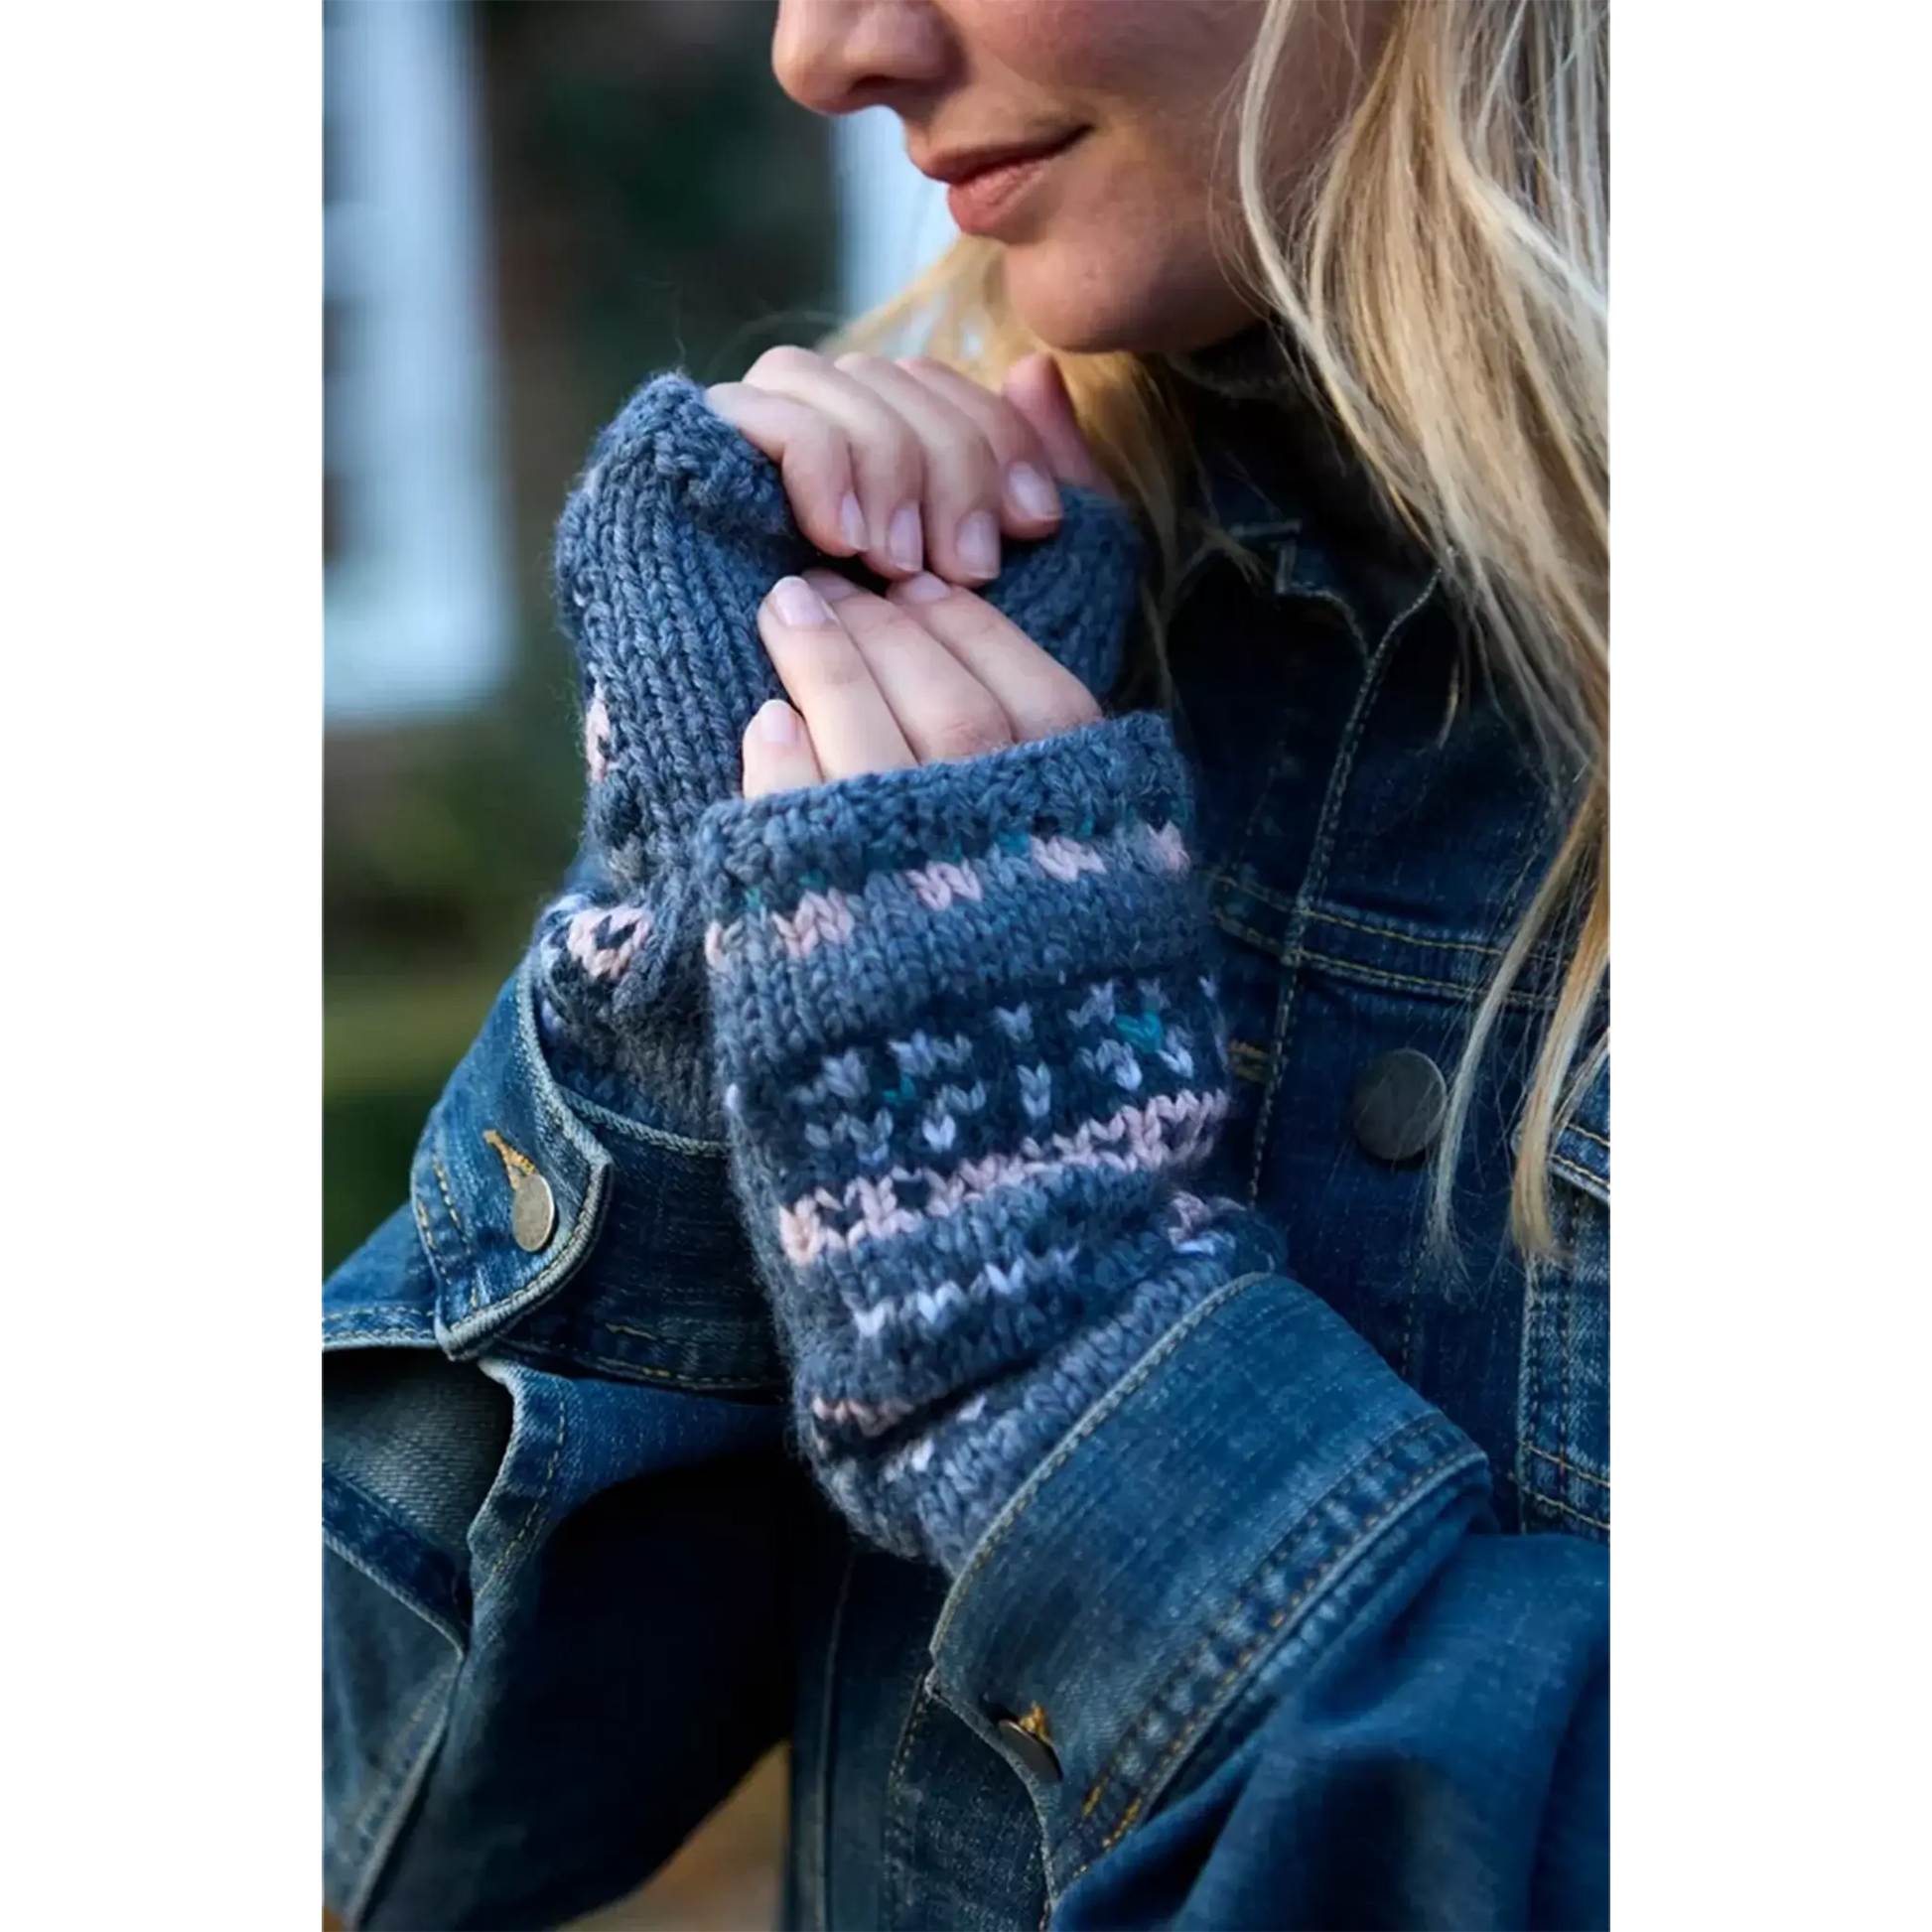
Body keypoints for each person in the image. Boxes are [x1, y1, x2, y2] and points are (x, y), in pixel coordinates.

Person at [319, 0, 1612, 1926]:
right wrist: (690, 953)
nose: (823, 49)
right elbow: (405, 1800)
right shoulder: (1029, 614)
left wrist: (1066, 1363)